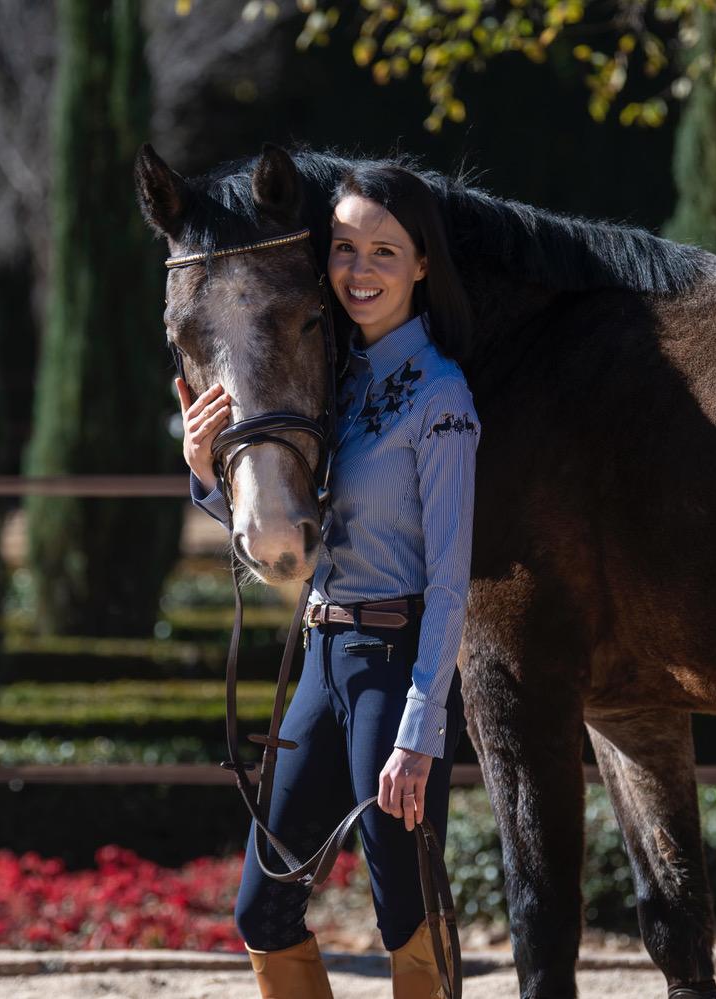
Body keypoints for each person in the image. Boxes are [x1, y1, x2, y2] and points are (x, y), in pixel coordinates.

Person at [179, 163, 480, 999]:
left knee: (406, 914)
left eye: (385, 251)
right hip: (319, 661)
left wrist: (421, 728)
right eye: (345, 248)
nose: (360, 270)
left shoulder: (443, 400)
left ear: (422, 264)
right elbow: (288, 521)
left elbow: (451, 584)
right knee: (260, 909)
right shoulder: (332, 381)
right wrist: (206, 473)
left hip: (393, 668)